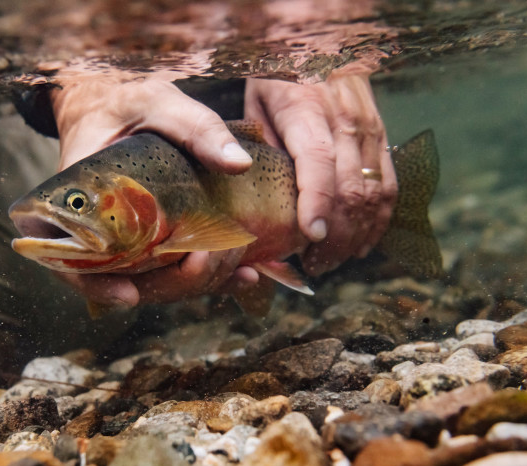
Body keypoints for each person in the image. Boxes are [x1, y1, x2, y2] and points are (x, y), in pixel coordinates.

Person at [45, 65, 398, 309]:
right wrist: (81, 96)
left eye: (78, 203)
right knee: (46, 305)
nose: (75, 207)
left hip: (280, 125)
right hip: (102, 129)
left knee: (361, 242)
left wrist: (315, 59)